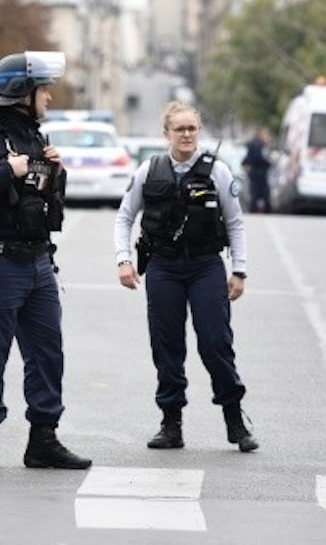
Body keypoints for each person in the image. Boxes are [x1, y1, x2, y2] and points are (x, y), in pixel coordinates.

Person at [0, 51, 91, 470]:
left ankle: (43, 439)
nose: (49, 96)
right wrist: (5, 171)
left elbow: (45, 201)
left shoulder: (38, 140)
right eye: (43, 89)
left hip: (38, 264)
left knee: (48, 353)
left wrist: (56, 172)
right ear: (22, 93)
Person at [113, 101, 257, 452]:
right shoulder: (150, 170)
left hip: (205, 266)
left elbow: (235, 223)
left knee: (215, 342)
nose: (187, 135)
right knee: (167, 345)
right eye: (180, 129)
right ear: (167, 134)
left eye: (192, 128)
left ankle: (234, 420)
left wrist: (239, 269)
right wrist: (123, 260)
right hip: (163, 267)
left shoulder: (217, 172)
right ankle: (171, 423)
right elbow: (124, 217)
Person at [241, 126, 273, 213]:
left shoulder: (259, 144)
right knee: (258, 192)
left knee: (260, 192)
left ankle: (258, 208)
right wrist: (268, 162)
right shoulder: (256, 145)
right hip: (258, 172)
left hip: (259, 172)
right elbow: (256, 158)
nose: (267, 137)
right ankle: (256, 209)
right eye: (266, 134)